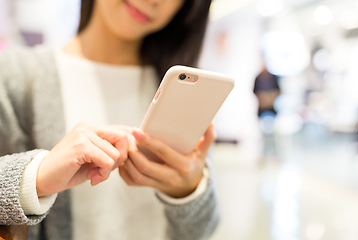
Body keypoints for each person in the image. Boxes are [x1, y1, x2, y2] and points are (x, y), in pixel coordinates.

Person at [0, 0, 219, 239]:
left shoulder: (183, 89)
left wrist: (188, 192)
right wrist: (36, 177)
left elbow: (203, 231)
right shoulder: (16, 74)